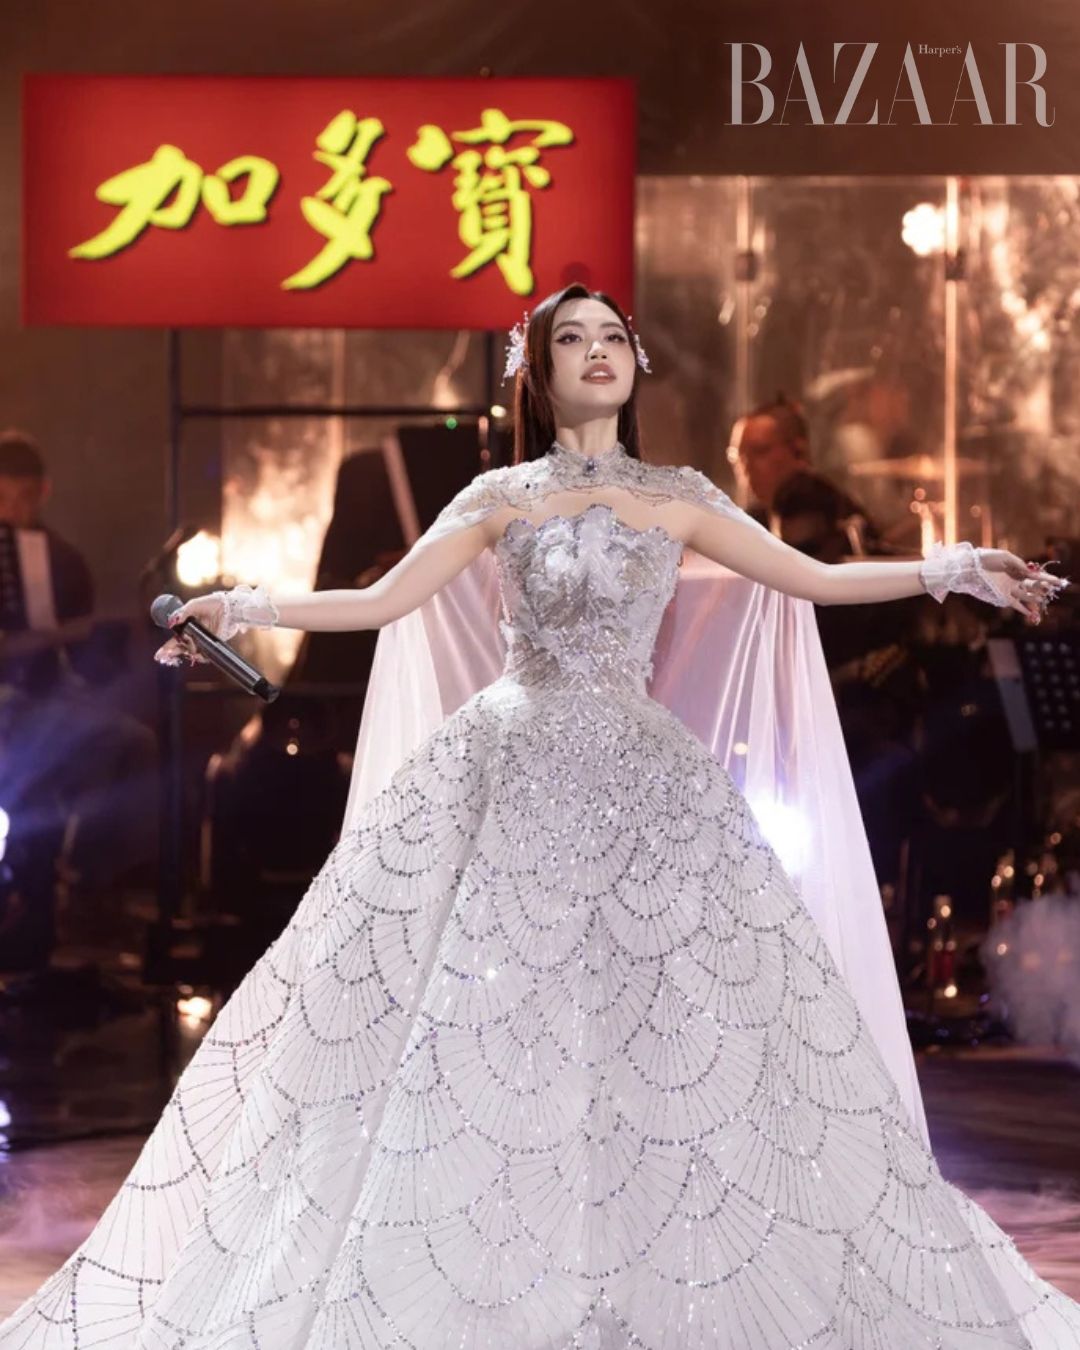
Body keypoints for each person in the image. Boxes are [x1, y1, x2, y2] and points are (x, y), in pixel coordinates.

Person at [2, 285, 1075, 1348]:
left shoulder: (681, 494)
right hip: (505, 767)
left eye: (613, 336)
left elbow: (812, 579)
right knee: (477, 1016)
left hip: (644, 779)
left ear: (634, 365)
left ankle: (639, 1274)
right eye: (573, 338)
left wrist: (952, 570)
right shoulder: (498, 497)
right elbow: (380, 604)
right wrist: (241, 606)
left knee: (665, 1020)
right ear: (541, 370)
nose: (598, 351)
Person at [737, 394, 882, 564]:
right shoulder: (755, 517)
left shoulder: (814, 504)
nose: (746, 466)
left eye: (760, 451)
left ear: (799, 452)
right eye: (739, 456)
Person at [0, 429, 94, 624]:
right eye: (1, 497)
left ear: (43, 491)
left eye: (24, 497)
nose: (11, 511)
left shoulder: (67, 564)